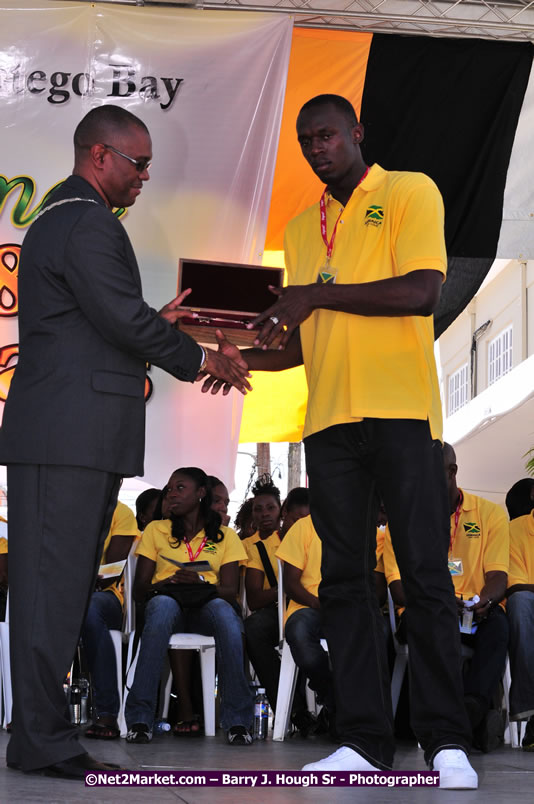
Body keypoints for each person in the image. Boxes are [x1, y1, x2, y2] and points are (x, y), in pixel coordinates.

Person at [201, 93, 476, 787]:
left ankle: (446, 743)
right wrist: (232, 357)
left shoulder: (409, 191)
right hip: (328, 424)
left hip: (403, 413)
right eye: (306, 141)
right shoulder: (302, 228)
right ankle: (363, 742)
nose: (316, 148)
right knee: (345, 584)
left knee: (423, 576)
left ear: (356, 132)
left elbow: (422, 292)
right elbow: (301, 342)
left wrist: (315, 296)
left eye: (326, 135)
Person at [0, 104, 250, 778]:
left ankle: (39, 737)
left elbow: (101, 321)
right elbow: (118, 316)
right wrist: (201, 357)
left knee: (57, 593)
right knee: (51, 595)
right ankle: (43, 740)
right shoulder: (86, 221)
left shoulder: (68, 216)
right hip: (67, 438)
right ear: (99, 155)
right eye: (138, 164)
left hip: (70, 435)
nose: (144, 177)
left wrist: (150, 323)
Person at [385, 444, 510, 753]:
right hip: (423, 609)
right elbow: (398, 587)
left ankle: (470, 710)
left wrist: (485, 601)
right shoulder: (402, 521)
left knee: (499, 625)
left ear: (452, 472)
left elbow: (498, 576)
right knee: (431, 623)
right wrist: (437, 599)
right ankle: (470, 725)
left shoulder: (489, 514)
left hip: (473, 611)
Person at [125, 467, 254, 745]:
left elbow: (230, 591)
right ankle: (140, 718)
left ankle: (238, 721)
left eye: (180, 487)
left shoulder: (225, 536)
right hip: (168, 602)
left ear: (201, 493)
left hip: (207, 606)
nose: (172, 493)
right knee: (161, 607)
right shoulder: (156, 530)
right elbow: (140, 590)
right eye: (170, 489)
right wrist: (167, 582)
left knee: (226, 613)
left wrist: (200, 582)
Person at [82, 500, 140, 740]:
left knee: (89, 609)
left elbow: (110, 572)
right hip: (64, 594)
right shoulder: (62, 507)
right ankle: (37, 710)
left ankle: (107, 712)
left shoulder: (120, 512)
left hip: (105, 596)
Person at [506, 498, 534, 749]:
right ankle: (530, 709)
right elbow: (516, 585)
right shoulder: (515, 529)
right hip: (529, 607)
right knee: (521, 603)